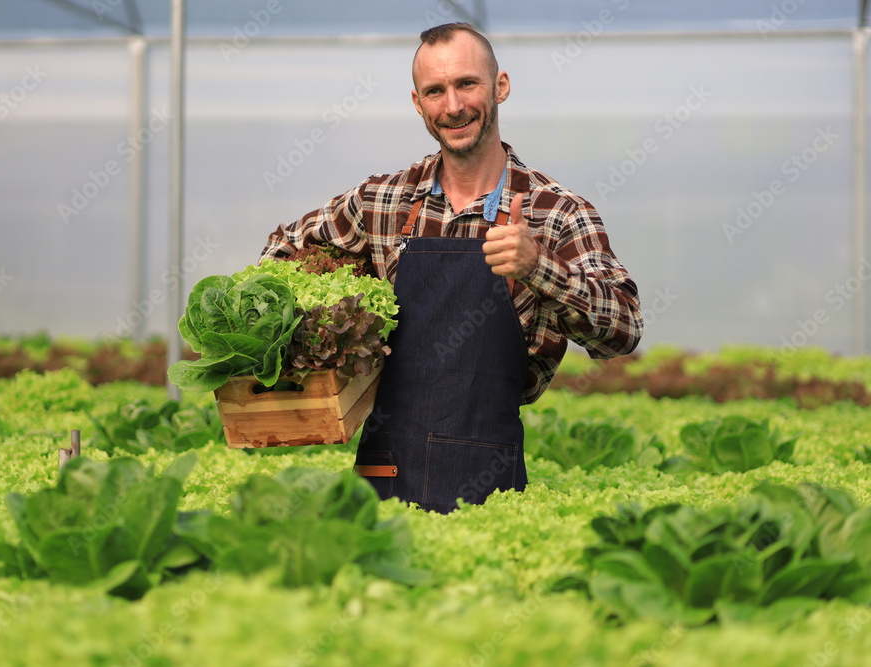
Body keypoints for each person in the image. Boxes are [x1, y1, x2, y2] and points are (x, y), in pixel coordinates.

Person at [260, 22, 643, 514]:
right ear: (418, 104)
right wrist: (315, 344)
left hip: (489, 483)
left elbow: (624, 329)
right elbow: (283, 250)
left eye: (467, 84)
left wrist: (539, 266)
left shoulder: (557, 212)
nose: (453, 106)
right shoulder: (383, 201)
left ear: (500, 86)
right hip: (381, 473)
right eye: (435, 91)